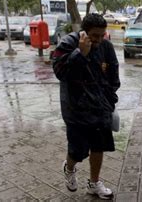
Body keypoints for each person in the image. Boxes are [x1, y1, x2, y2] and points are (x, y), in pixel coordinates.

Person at [52, 13, 120, 200]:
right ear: (84, 32)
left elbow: (113, 74)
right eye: (94, 36)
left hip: (100, 107)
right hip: (76, 109)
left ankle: (94, 183)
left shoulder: (106, 46)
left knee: (99, 146)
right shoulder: (68, 44)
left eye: (101, 35)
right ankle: (69, 167)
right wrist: (80, 53)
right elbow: (60, 72)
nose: (98, 40)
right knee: (78, 150)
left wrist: (110, 98)